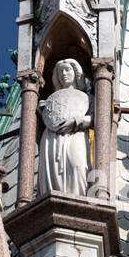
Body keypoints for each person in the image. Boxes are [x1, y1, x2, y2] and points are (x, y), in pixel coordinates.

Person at [37, 59, 92, 197]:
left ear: (76, 73)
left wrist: (76, 121)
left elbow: (97, 117)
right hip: (51, 137)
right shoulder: (51, 99)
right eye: (60, 71)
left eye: (67, 70)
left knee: (77, 165)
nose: (64, 74)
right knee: (51, 169)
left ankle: (79, 199)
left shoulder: (87, 98)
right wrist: (40, 111)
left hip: (76, 133)